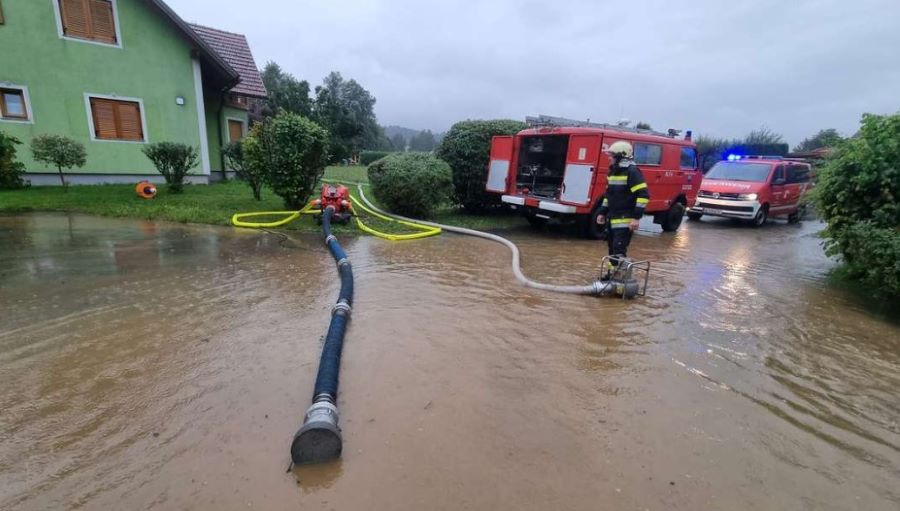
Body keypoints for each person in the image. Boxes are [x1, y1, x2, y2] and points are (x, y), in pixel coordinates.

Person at [595, 141, 649, 276]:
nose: (609, 158)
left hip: (625, 219)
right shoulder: (613, 172)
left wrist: (636, 218)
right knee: (612, 249)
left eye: (612, 155)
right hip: (612, 218)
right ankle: (612, 275)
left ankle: (621, 280)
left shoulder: (632, 172)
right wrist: (602, 212)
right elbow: (609, 196)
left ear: (621, 156)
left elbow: (643, 195)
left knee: (619, 249)